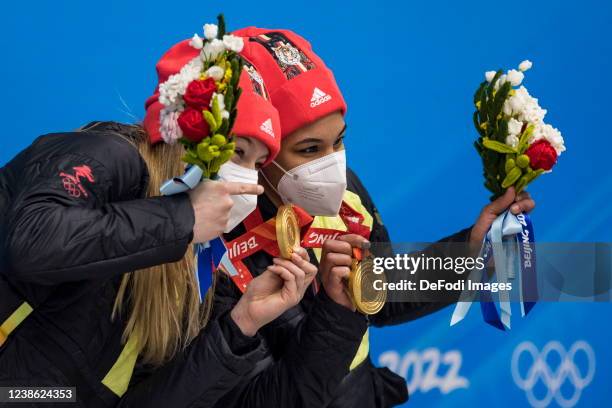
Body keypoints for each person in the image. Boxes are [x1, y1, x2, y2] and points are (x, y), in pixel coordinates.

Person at [209, 27, 537, 408]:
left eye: (339, 141)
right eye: (309, 148)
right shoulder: (211, 244)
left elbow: (381, 294)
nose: (332, 166)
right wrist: (337, 311)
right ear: (257, 149)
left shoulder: (343, 190)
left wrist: (469, 250)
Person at [0, 37, 317, 407]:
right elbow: (32, 241)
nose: (248, 180)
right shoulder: (110, 156)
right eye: (237, 151)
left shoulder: (198, 261)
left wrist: (243, 324)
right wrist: (182, 218)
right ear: (186, 135)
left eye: (257, 164)